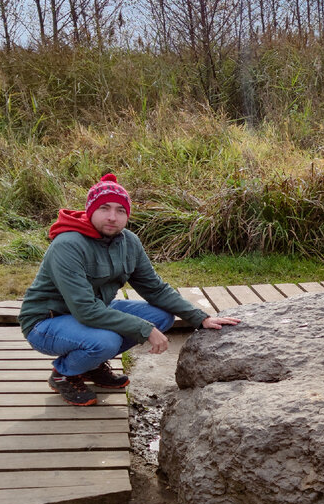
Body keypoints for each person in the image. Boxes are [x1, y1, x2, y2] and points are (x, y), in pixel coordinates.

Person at [19, 173, 239, 405]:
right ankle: (64, 374)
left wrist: (199, 317)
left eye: (120, 210)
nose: (112, 217)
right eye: (104, 208)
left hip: (95, 311)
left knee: (161, 316)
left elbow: (155, 288)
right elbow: (85, 310)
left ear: (127, 215)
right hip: (47, 323)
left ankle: (90, 365)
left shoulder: (129, 242)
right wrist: (144, 329)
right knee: (106, 341)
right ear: (90, 210)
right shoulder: (68, 245)